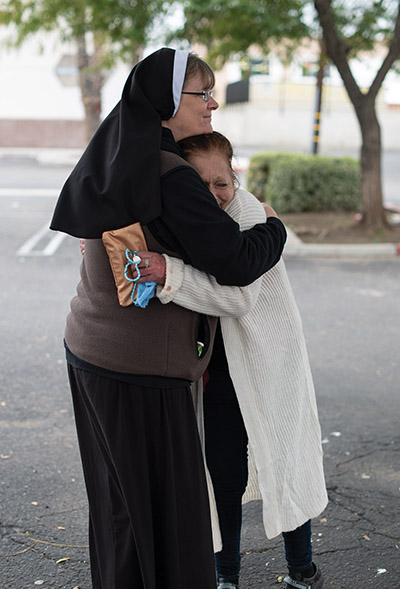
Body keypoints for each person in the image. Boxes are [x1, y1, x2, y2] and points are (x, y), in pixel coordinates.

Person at [50, 48, 287, 589]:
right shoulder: (170, 173)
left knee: (120, 509)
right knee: (167, 520)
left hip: (91, 352)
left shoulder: (119, 152)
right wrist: (274, 229)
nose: (213, 104)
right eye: (201, 94)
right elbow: (236, 261)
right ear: (164, 102)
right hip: (138, 373)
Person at [135, 132, 328, 589]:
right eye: (198, 183)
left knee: (282, 459)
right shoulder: (186, 215)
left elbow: (237, 297)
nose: (212, 194)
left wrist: (169, 273)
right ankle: (226, 576)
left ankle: (303, 569)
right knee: (222, 473)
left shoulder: (247, 211)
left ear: (234, 176)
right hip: (216, 370)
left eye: (220, 182)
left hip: (267, 358)